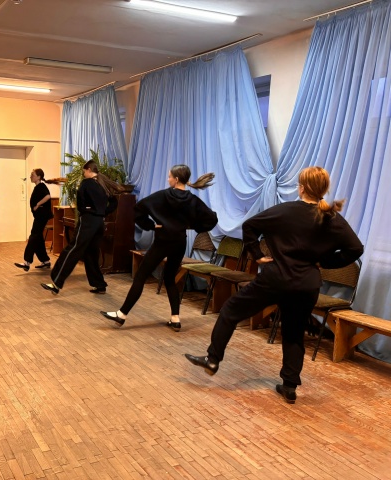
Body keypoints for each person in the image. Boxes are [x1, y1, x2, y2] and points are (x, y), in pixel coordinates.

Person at [185, 166, 364, 404]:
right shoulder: (332, 218)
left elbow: (249, 226)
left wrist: (258, 256)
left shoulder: (285, 211)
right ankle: (289, 386)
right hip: (307, 284)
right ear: (323, 190)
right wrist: (325, 261)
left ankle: (212, 359)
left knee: (230, 312)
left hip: (276, 278)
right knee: (294, 333)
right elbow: (356, 248)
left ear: (301, 188)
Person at [101, 165, 217, 330]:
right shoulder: (193, 200)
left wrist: (150, 225)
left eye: (169, 176)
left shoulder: (163, 195)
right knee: (170, 279)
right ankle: (175, 319)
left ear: (176, 179)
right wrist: (190, 226)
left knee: (141, 277)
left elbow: (138, 209)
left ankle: (121, 315)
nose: (168, 179)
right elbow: (211, 219)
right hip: (180, 243)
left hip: (163, 242)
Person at [41, 160, 123, 295]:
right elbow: (114, 203)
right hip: (99, 223)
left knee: (72, 249)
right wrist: (102, 212)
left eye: (84, 171)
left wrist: (88, 211)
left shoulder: (86, 183)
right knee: (91, 253)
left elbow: (80, 204)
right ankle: (99, 285)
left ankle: (56, 282)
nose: (83, 174)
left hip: (87, 221)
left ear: (89, 170)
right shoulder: (103, 184)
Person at [14, 169, 54, 271]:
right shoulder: (38, 187)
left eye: (33, 175)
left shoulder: (41, 186)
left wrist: (37, 205)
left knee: (33, 237)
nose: (31, 176)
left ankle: (27, 262)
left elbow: (48, 196)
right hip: (39, 216)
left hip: (42, 216)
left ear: (39, 177)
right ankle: (45, 261)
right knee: (38, 238)